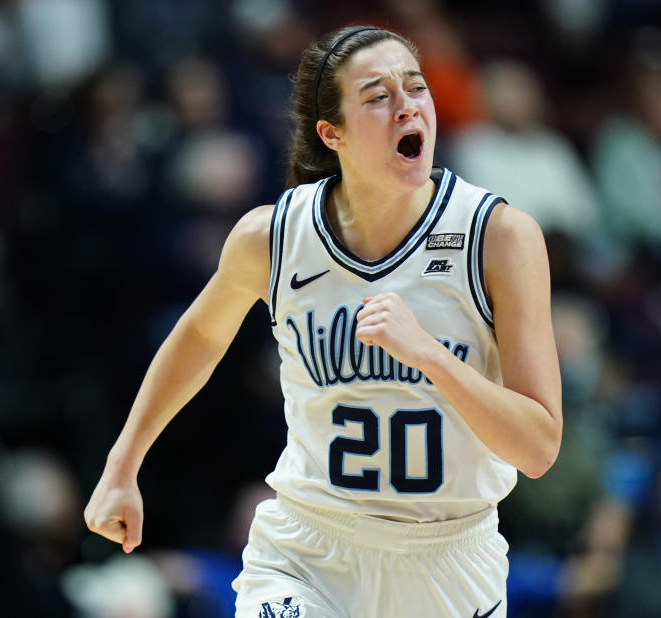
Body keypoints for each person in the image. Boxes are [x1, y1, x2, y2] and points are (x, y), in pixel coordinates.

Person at [84, 25, 562, 618]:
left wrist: (431, 356)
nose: (408, 104)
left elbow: (539, 447)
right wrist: (122, 465)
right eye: (378, 95)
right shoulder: (274, 237)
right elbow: (201, 337)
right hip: (310, 548)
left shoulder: (499, 238)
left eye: (415, 88)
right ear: (331, 133)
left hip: (448, 560)